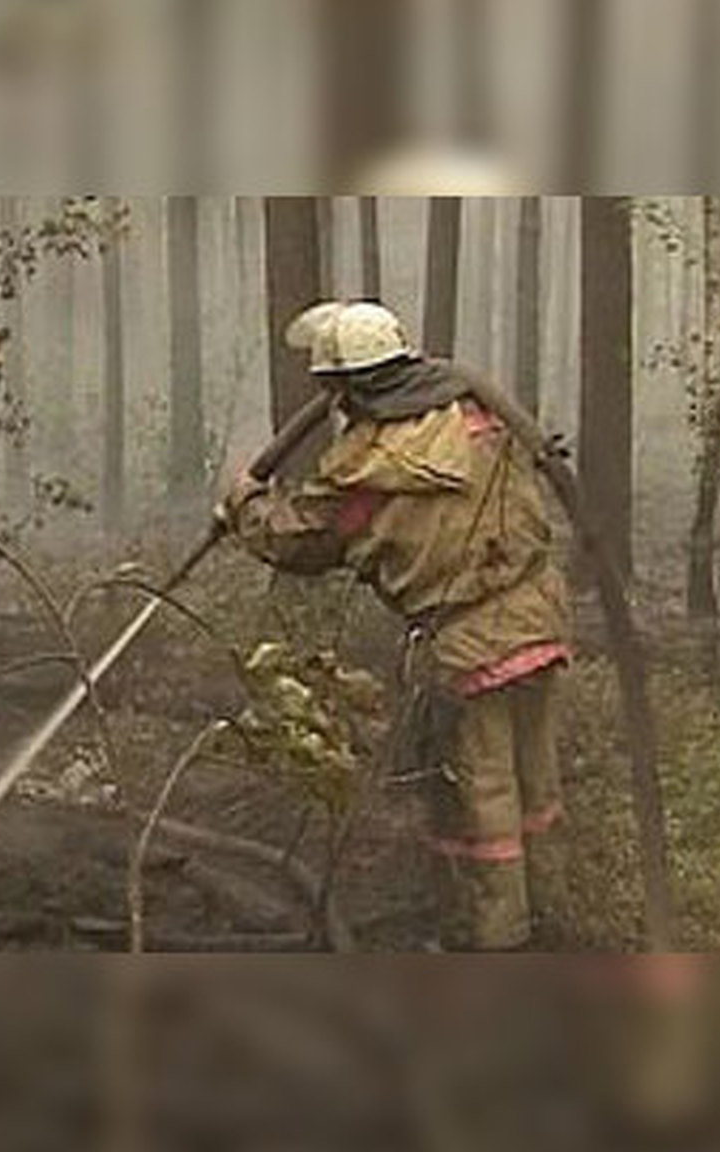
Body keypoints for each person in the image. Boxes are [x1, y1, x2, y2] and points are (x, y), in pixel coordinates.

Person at [218, 301, 572, 950]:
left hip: (467, 646)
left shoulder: (365, 470)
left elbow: (301, 541)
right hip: (539, 621)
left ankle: (495, 942)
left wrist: (244, 500)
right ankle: (550, 918)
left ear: (347, 388)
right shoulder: (481, 415)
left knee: (477, 802)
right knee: (534, 781)